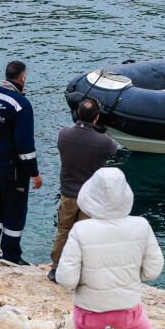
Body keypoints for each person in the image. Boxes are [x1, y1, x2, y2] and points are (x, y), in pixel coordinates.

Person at [56, 168, 163, 329]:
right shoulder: (141, 225)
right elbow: (152, 272)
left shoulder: (81, 230)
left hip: (90, 311)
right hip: (128, 310)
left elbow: (65, 279)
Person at [0, 61, 42, 266]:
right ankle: (11, 255)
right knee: (14, 206)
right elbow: (24, 145)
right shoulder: (21, 104)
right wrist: (34, 173)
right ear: (22, 78)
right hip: (10, 164)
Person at [49, 98, 117, 282]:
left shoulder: (64, 134)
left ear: (77, 113)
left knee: (64, 230)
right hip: (91, 197)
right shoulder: (104, 142)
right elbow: (114, 150)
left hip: (68, 193)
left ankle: (56, 268)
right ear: (97, 117)